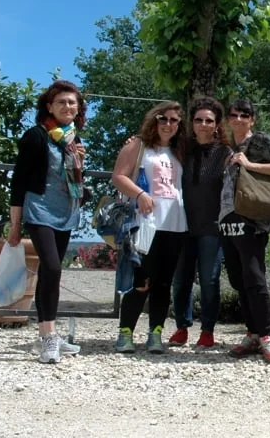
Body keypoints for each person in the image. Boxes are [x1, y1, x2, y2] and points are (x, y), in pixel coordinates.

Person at [8, 80, 87, 364]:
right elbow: (18, 183)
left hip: (66, 212)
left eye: (72, 103)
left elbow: (73, 183)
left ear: (78, 109)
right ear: (49, 106)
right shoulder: (36, 136)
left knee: (50, 272)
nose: (67, 107)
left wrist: (79, 168)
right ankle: (49, 337)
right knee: (52, 268)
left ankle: (47, 334)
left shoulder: (73, 140)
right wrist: (15, 225)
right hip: (39, 210)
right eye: (62, 102)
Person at [218, 100, 270, 364]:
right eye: (234, 114)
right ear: (228, 119)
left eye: (245, 114)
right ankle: (252, 333)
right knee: (239, 280)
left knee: (254, 276)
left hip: (251, 220)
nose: (239, 118)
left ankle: (266, 335)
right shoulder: (228, 148)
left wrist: (251, 165)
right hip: (227, 219)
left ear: (252, 119)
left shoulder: (259, 141)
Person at [112, 101, 188, 355]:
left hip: (175, 224)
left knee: (164, 282)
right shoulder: (139, 145)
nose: (168, 124)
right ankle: (125, 333)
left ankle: (155, 333)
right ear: (154, 120)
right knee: (140, 278)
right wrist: (141, 194)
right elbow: (119, 176)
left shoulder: (180, 150)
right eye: (163, 118)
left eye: (174, 120)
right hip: (145, 224)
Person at [168, 97, 232, 350]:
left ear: (216, 124)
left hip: (211, 227)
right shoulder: (181, 149)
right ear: (191, 123)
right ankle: (182, 327)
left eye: (209, 120)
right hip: (183, 224)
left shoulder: (225, 153)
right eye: (198, 120)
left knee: (209, 279)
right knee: (180, 279)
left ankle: (207, 330)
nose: (203, 124)